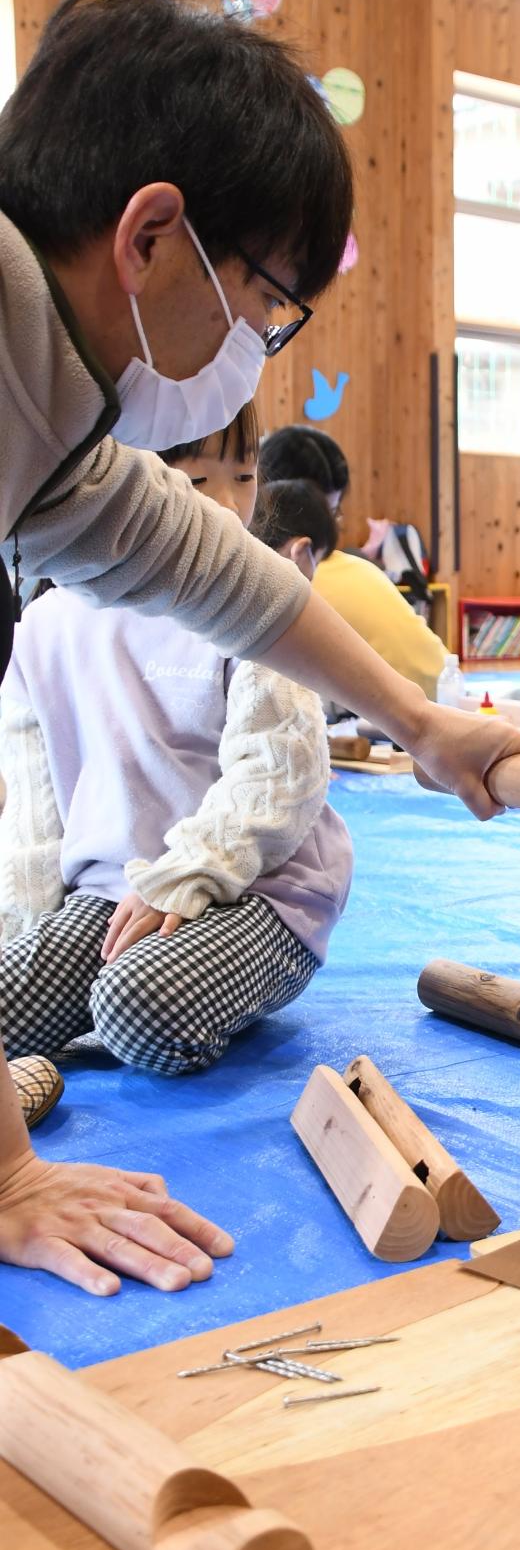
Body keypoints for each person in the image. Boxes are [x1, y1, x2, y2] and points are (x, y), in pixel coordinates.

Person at [0, 0, 520, 1295]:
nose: (254, 346)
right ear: (149, 236)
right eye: (261, 305)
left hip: (222, 893)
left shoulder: (53, 417)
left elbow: (220, 575)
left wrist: (425, 728)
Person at [0, 404, 353, 1075]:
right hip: (112, 893)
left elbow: (281, 774)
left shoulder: (255, 595)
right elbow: (32, 820)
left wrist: (185, 877)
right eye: (191, 486)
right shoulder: (41, 628)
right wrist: (24, 939)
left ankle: (168, 997)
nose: (225, 509)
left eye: (245, 478)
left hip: (257, 892)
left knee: (139, 1006)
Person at [259, 424, 446, 701]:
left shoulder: (304, 575)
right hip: (442, 695)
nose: (328, 525)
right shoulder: (344, 568)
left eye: (333, 513)